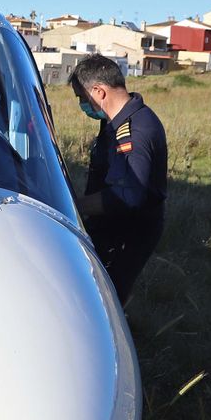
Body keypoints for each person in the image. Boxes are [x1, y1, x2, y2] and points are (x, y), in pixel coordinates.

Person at [69, 54, 167, 305]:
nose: (83, 105)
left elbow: (127, 195)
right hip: (110, 226)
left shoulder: (133, 131)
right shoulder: (115, 121)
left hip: (126, 233)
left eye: (82, 98)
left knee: (106, 299)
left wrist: (74, 207)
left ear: (99, 91)